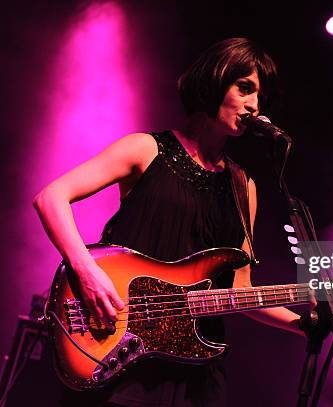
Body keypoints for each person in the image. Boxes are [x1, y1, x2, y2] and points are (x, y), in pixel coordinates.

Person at [33, 37, 307, 406]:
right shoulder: (145, 149)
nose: (254, 105)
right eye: (245, 89)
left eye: (260, 96)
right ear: (215, 80)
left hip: (196, 372)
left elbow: (241, 290)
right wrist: (87, 272)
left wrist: (302, 324)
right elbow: (51, 198)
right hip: (121, 354)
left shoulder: (244, 187)